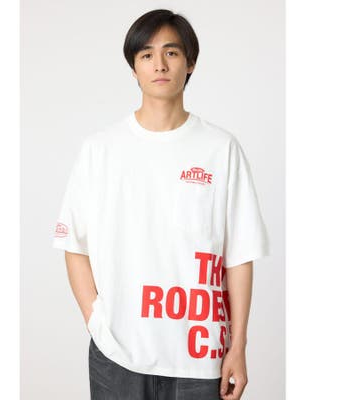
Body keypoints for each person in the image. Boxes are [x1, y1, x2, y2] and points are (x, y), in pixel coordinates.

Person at [52, 8, 270, 400]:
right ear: (134, 69)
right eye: (147, 55)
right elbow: (74, 244)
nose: (160, 65)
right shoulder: (101, 150)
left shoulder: (220, 149)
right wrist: (96, 321)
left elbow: (239, 255)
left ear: (190, 63)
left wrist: (238, 346)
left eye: (171, 52)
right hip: (117, 355)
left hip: (200, 357)